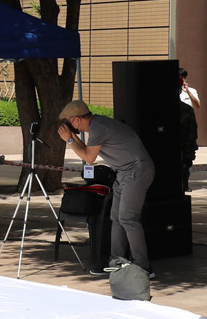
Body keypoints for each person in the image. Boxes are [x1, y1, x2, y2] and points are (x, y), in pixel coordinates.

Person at [60, 98, 155, 276]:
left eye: (69, 121)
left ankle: (143, 267)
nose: (69, 124)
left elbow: (89, 158)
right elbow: (88, 151)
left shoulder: (98, 127)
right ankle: (117, 262)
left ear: (77, 119)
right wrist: (71, 137)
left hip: (136, 171)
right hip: (125, 172)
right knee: (117, 218)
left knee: (128, 218)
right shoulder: (98, 124)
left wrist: (69, 140)